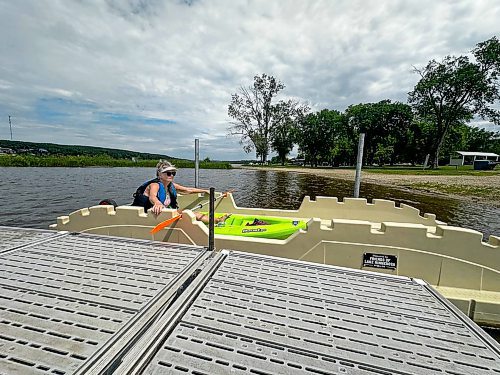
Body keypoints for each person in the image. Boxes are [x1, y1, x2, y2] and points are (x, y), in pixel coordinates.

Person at [132, 160, 230, 223]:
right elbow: (152, 197)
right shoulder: (154, 185)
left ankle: (216, 220)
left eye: (173, 173)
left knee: (192, 213)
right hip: (149, 215)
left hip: (164, 213)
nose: (171, 175)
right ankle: (217, 221)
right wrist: (157, 203)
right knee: (191, 214)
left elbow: (188, 190)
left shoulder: (171, 185)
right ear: (159, 175)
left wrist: (204, 190)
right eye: (168, 173)